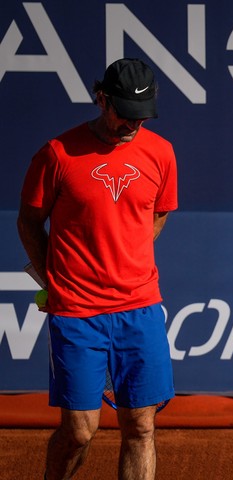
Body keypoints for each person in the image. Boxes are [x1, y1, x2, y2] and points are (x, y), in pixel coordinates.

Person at [17, 58, 177, 480]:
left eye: (141, 117)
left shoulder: (161, 152)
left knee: (141, 426)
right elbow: (29, 222)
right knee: (79, 432)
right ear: (101, 99)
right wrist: (52, 277)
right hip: (76, 313)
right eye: (123, 112)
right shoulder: (58, 153)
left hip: (140, 308)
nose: (132, 125)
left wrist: (128, 253)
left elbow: (159, 213)